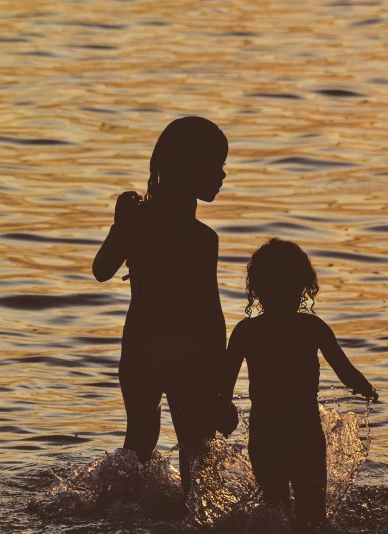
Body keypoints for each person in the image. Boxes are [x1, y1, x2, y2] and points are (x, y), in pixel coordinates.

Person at [92, 116, 228, 496]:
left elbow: (101, 270)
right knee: (196, 454)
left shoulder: (137, 221)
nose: (222, 175)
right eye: (215, 165)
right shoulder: (203, 239)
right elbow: (211, 314)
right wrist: (220, 384)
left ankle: (117, 510)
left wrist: (121, 225)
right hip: (190, 351)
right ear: (189, 167)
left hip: (141, 349)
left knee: (138, 443)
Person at [218, 238, 378, 533]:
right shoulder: (312, 327)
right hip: (304, 431)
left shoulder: (247, 331)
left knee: (275, 507)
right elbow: (345, 371)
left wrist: (221, 411)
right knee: (312, 513)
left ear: (257, 289)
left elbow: (224, 385)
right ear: (303, 286)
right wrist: (366, 388)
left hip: (265, 432)